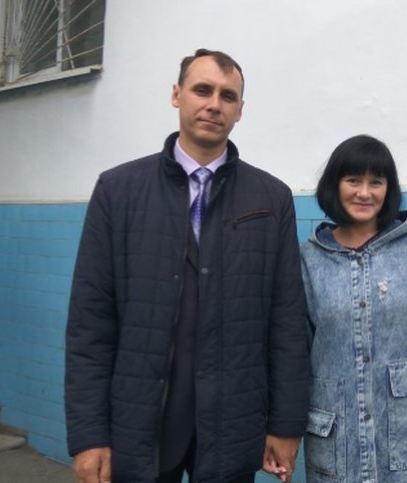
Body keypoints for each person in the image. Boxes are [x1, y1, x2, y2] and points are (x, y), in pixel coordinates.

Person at [65, 48, 310, 483]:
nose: (214, 104)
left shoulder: (270, 198)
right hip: (141, 426)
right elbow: (91, 324)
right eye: (202, 90)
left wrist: (285, 425)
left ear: (240, 111)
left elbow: (287, 321)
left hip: (232, 423)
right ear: (177, 95)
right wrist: (88, 437)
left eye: (228, 96)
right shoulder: (118, 191)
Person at [300, 135, 407, 482]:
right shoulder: (309, 260)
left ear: (388, 189)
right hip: (335, 443)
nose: (364, 193)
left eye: (376, 182)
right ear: (335, 185)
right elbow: (293, 352)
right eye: (353, 180)